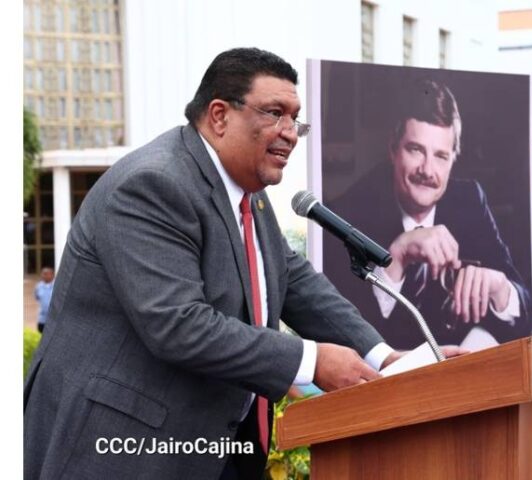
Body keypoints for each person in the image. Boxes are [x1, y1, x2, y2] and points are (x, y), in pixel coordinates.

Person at [23, 47, 441, 480]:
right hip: (126, 450)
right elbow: (178, 324)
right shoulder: (152, 184)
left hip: (218, 448)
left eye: (295, 119)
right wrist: (311, 360)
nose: (290, 133)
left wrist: (384, 358)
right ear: (219, 116)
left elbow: (292, 279)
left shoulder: (247, 191)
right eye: (274, 113)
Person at [326, 79, 532, 350]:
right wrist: (396, 256)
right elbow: (339, 331)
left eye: (441, 156)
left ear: (453, 160)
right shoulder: (347, 211)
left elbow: (526, 307)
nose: (427, 170)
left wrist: (500, 288)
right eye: (415, 150)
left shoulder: (469, 199)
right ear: (393, 149)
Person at [33, 267, 55, 333]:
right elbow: (37, 297)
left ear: (52, 275)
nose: (44, 276)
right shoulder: (38, 286)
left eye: (46, 274)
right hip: (42, 319)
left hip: (54, 319)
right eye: (43, 274)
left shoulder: (57, 286)